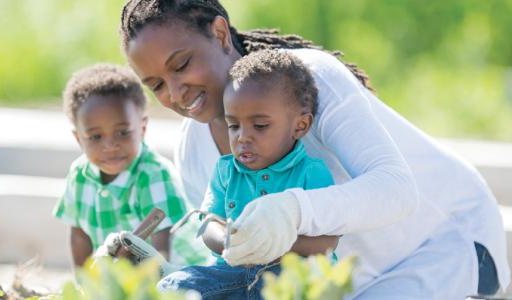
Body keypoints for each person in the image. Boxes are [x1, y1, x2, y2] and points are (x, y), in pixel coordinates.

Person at [119, 1, 509, 298]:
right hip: (346, 282)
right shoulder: (194, 149)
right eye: (156, 85)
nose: (174, 92)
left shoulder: (306, 80)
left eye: (182, 64)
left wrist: (293, 210)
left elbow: (397, 190)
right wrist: (158, 278)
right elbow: (238, 261)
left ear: (220, 34)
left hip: (446, 246)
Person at [158, 50, 339, 299]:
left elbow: (326, 242)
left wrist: (269, 247)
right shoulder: (225, 171)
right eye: (234, 126)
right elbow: (210, 223)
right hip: (234, 273)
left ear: (300, 125)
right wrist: (227, 242)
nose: (243, 137)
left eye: (260, 126)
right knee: (171, 285)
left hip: (289, 275)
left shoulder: (311, 172)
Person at [52, 63, 208, 269]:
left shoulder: (153, 174)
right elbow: (79, 236)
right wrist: (86, 286)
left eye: (122, 132)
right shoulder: (79, 175)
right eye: (96, 136)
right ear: (79, 138)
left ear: (142, 128)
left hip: (178, 272)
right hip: (123, 271)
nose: (110, 146)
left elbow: (162, 247)